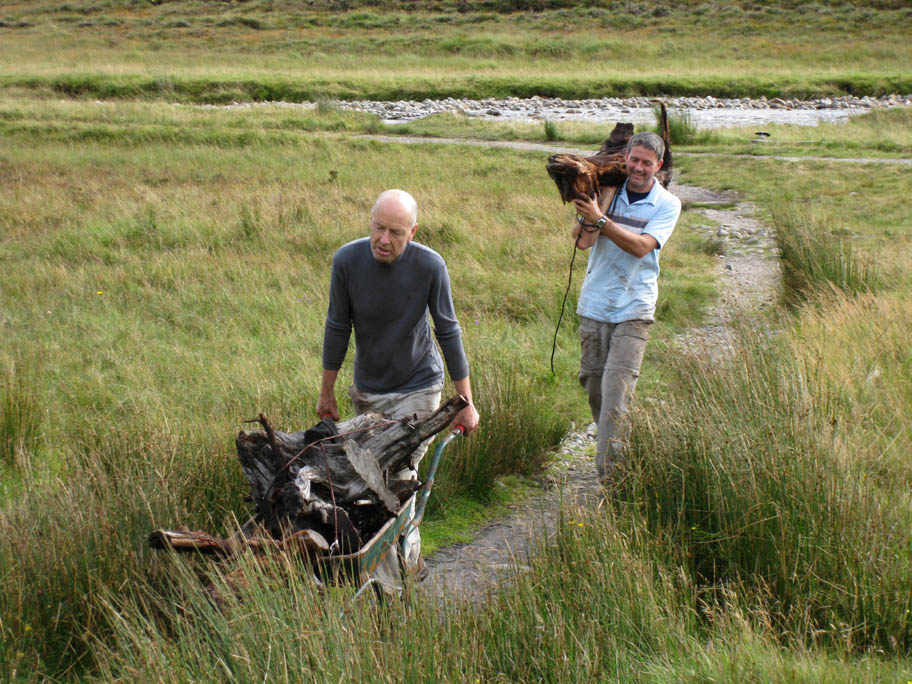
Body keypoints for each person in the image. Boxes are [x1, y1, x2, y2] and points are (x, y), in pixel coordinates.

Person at [317, 188, 480, 585]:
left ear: (413, 232)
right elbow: (338, 327)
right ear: (369, 222)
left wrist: (466, 402)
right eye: (378, 228)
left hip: (419, 386)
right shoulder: (347, 261)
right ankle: (409, 563)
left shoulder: (430, 267)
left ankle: (393, 584)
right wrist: (327, 391)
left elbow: (448, 330)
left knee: (398, 479)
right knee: (366, 480)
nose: (384, 240)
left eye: (395, 232)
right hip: (368, 390)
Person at [570, 131, 681, 483]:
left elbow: (640, 247)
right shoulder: (609, 192)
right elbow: (582, 242)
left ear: (658, 166)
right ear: (626, 158)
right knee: (594, 386)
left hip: (634, 309)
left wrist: (603, 220)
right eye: (634, 160)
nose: (639, 167)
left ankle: (612, 480)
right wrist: (592, 210)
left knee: (616, 397)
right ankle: (622, 452)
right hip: (594, 304)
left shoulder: (667, 204)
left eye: (647, 162)